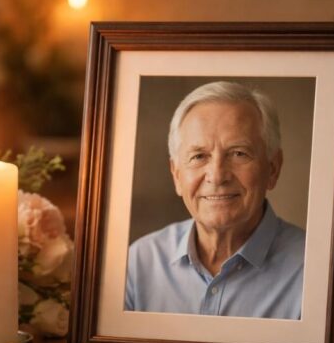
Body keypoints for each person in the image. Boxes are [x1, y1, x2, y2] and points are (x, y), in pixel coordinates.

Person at [124, 81, 305, 319]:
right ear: (177, 175)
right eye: (199, 156)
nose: (217, 176)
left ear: (273, 169)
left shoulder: (314, 270)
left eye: (239, 153)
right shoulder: (140, 262)